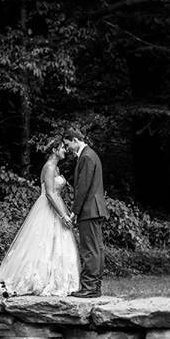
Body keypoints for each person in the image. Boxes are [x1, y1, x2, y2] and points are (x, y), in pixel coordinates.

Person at [0, 139, 81, 297]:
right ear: (54, 150)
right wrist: (63, 214)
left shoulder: (56, 168)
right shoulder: (49, 167)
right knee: (41, 245)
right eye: (63, 147)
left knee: (57, 245)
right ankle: (33, 280)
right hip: (48, 208)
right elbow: (50, 194)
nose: (65, 150)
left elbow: (56, 194)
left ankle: (60, 280)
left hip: (57, 205)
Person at [62, 127, 107, 298]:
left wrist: (74, 212)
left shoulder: (86, 157)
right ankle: (95, 286)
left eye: (68, 145)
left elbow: (82, 188)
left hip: (89, 209)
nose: (67, 149)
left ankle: (89, 287)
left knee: (90, 249)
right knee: (97, 249)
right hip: (93, 208)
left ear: (75, 140)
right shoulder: (90, 154)